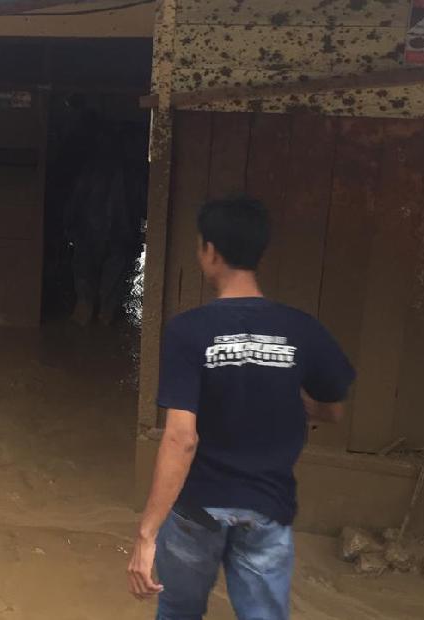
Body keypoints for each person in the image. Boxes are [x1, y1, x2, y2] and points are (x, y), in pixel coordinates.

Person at [126, 197, 355, 619]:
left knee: (178, 611)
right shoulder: (300, 328)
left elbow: (181, 437)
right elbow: (334, 409)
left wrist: (146, 533)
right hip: (266, 506)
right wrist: (296, 400)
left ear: (210, 252)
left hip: (198, 507)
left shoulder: (187, 331)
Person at [63, 122, 145, 326]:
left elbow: (76, 199)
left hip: (90, 230)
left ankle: (84, 312)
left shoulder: (91, 169)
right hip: (120, 231)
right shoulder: (132, 171)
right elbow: (143, 204)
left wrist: (68, 225)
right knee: (112, 277)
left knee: (84, 273)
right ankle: (105, 315)